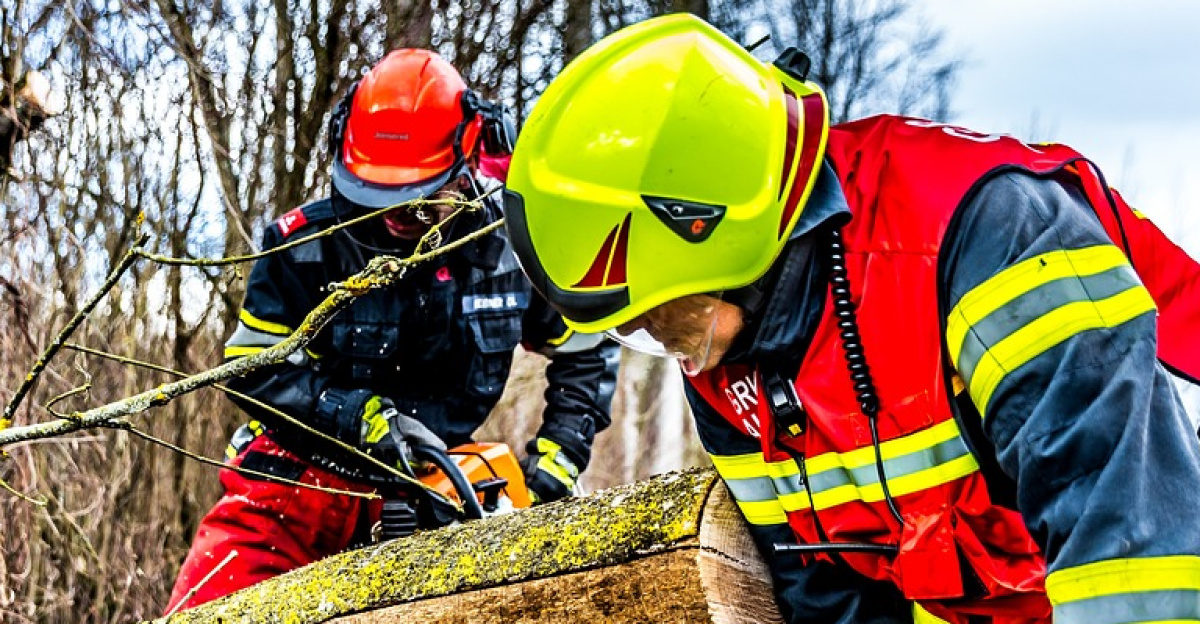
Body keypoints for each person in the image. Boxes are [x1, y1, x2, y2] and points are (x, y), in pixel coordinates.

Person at [502, 14, 1200, 624]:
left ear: (711, 234)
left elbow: (1134, 550)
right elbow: (821, 589)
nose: (662, 342)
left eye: (659, 315)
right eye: (632, 332)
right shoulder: (722, 349)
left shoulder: (992, 241)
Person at [165, 49, 618, 612]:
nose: (397, 215)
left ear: (467, 163)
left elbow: (586, 350)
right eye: (378, 197)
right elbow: (249, 369)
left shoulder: (506, 248)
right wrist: (351, 413)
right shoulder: (306, 247)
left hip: (436, 495)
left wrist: (552, 472)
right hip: (295, 492)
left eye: (420, 198)